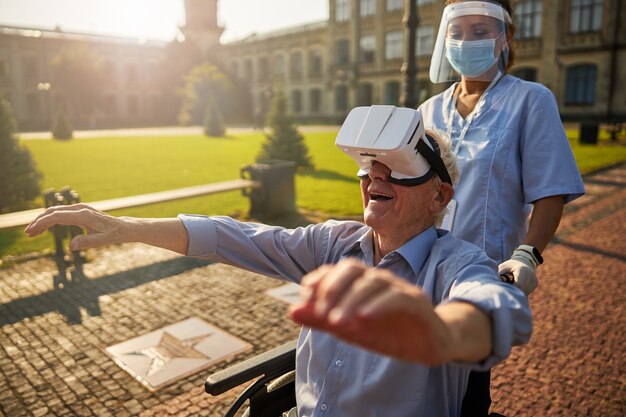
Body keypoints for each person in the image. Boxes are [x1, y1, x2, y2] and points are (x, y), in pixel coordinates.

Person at [25, 106, 531, 417]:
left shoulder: (456, 265)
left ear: (439, 195)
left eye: (396, 171)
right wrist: (126, 228)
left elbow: (494, 310)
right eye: (368, 169)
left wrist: (437, 332)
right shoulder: (335, 245)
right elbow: (233, 236)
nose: (375, 180)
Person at [418, 1, 586, 415]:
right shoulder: (427, 111)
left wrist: (527, 254)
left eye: (480, 31)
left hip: (482, 276)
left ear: (505, 37)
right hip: (422, 271)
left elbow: (551, 190)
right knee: (415, 387)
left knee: (468, 392)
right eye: (456, 32)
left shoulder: (530, 100)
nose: (465, 41)